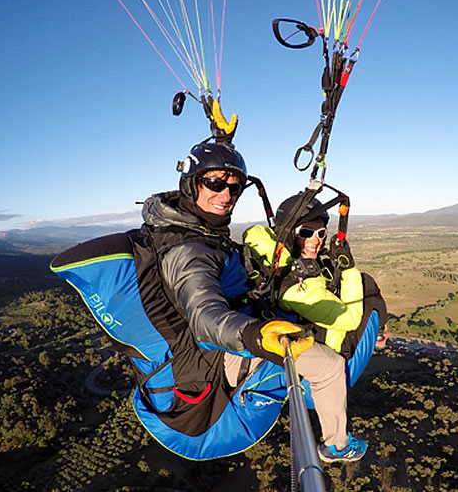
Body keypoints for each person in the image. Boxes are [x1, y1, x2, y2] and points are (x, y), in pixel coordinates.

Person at [143, 141, 366, 463]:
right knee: (330, 366)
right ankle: (336, 445)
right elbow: (205, 316)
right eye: (215, 183)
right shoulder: (189, 250)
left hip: (227, 330)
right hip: (211, 352)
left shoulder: (194, 228)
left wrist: (221, 138)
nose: (226, 195)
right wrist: (255, 336)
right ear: (192, 184)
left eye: (234, 187)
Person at [243, 193, 374, 462]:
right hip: (284, 344)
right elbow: (349, 318)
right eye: (307, 232)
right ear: (289, 233)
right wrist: (349, 271)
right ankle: (336, 445)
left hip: (279, 329)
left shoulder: (274, 259)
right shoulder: (295, 286)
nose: (317, 240)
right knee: (336, 360)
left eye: (322, 233)